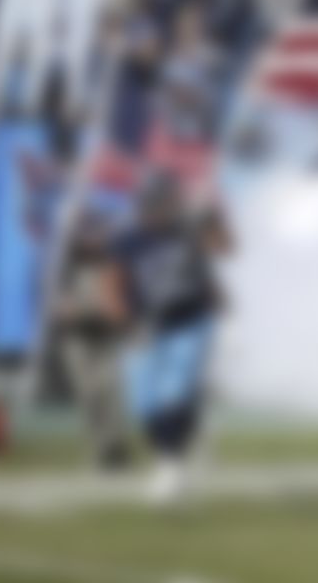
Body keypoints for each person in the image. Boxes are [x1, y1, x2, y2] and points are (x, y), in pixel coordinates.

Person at [115, 172, 232, 504]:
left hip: (190, 321)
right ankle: (179, 444)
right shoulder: (129, 239)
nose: (158, 211)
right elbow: (114, 284)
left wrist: (214, 216)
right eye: (153, 203)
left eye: (164, 202)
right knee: (144, 403)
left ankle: (170, 464)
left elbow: (225, 247)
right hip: (145, 325)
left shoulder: (189, 230)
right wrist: (127, 323)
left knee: (174, 392)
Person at [51, 211, 132, 471]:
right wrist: (82, 309)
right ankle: (101, 448)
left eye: (99, 232)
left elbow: (120, 303)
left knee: (110, 391)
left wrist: (117, 314)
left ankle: (115, 447)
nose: (95, 238)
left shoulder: (113, 263)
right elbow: (62, 308)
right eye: (90, 232)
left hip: (106, 337)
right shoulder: (67, 266)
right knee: (89, 395)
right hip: (78, 338)